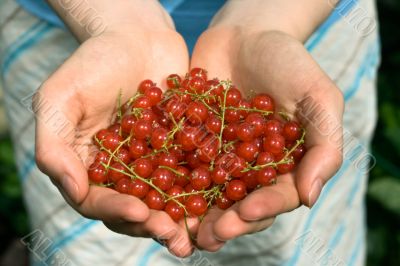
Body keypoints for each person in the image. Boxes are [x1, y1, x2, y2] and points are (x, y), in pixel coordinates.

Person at [0, 0, 380, 265]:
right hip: (63, 24)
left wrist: (269, 20)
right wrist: (117, 21)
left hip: (308, 20)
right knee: (94, 253)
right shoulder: (146, 131)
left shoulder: (245, 126)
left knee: (291, 248)